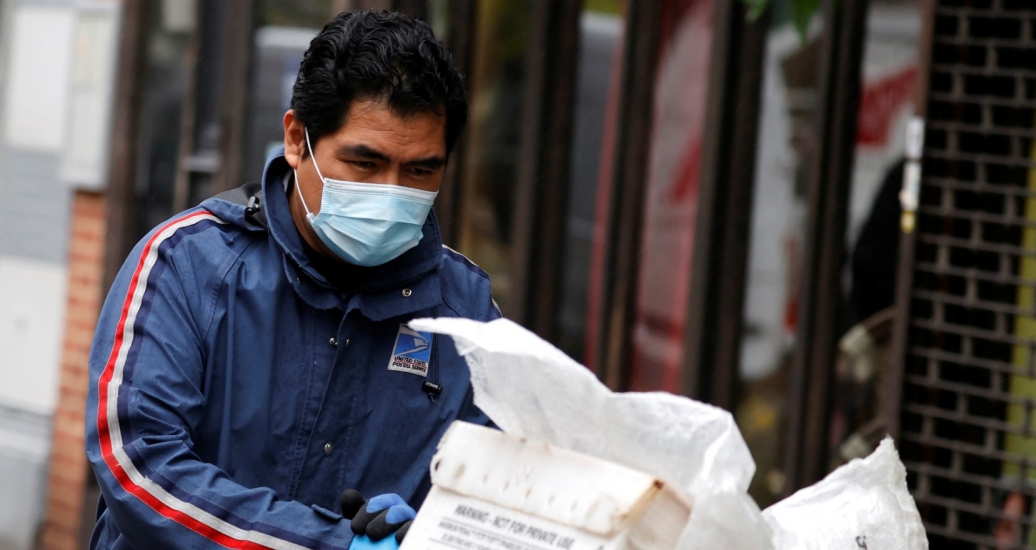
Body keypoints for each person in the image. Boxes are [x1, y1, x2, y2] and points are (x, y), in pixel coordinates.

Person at [85, 10, 498, 549]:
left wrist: (433, 530)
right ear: (297, 139)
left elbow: (498, 495)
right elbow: (140, 466)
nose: (392, 192)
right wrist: (322, 543)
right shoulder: (187, 264)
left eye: (420, 170)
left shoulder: (463, 310)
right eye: (364, 163)